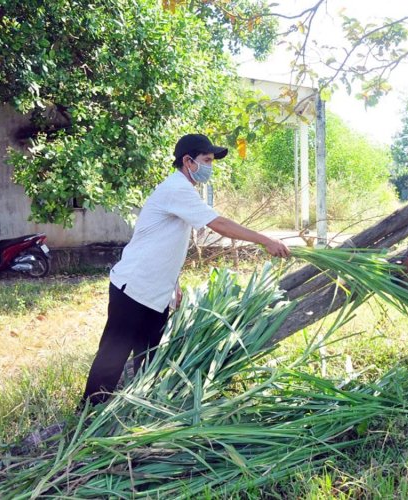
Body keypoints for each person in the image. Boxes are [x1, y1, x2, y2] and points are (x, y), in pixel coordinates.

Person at [81, 133, 290, 406]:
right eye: (206, 160)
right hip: (133, 288)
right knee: (112, 356)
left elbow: (164, 242)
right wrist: (265, 240)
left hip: (155, 292)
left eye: (212, 161)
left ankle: (135, 410)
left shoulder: (181, 191)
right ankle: (88, 415)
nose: (210, 167)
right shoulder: (176, 188)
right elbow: (219, 224)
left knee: (149, 359)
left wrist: (174, 284)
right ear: (188, 161)